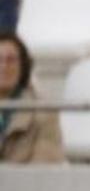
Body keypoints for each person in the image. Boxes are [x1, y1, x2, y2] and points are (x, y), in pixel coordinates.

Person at [0, 32, 64, 163]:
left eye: (11, 60)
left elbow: (44, 168)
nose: (4, 66)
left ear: (23, 65)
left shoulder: (44, 112)